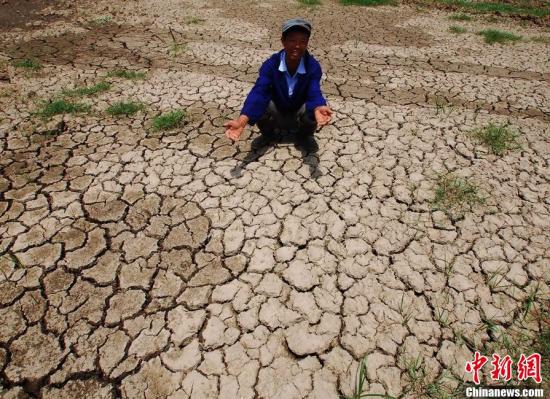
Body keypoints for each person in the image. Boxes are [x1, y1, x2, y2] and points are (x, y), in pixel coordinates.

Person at [224, 18, 332, 148]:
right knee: (261, 103)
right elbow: (259, 92)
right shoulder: (271, 65)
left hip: (298, 113)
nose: (297, 46)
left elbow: (314, 91)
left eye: (302, 41)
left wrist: (319, 106)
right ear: (283, 41)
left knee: (315, 109)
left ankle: (304, 137)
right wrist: (241, 122)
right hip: (277, 112)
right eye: (292, 40)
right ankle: (268, 135)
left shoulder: (312, 66)